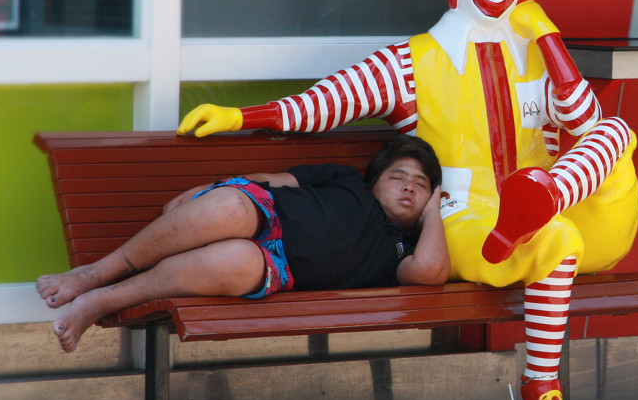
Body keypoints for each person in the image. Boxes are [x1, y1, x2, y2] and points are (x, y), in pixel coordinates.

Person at [177, 0, 638, 400]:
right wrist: (243, 116)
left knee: (613, 129)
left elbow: (584, 124)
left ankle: (547, 193)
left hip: (560, 208)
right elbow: (326, 102)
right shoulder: (411, 63)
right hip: (470, 220)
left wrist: (546, 34)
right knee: (559, 240)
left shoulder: (534, 56)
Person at [36, 134, 448, 353]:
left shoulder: (401, 251)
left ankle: (101, 300)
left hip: (277, 268)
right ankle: (93, 274)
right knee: (232, 206)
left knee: (237, 264)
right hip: (266, 210)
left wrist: (435, 215)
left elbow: (431, 273)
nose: (408, 188)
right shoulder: (346, 180)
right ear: (374, 179)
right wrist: (211, 189)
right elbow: (276, 180)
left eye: (420, 185)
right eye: (398, 177)